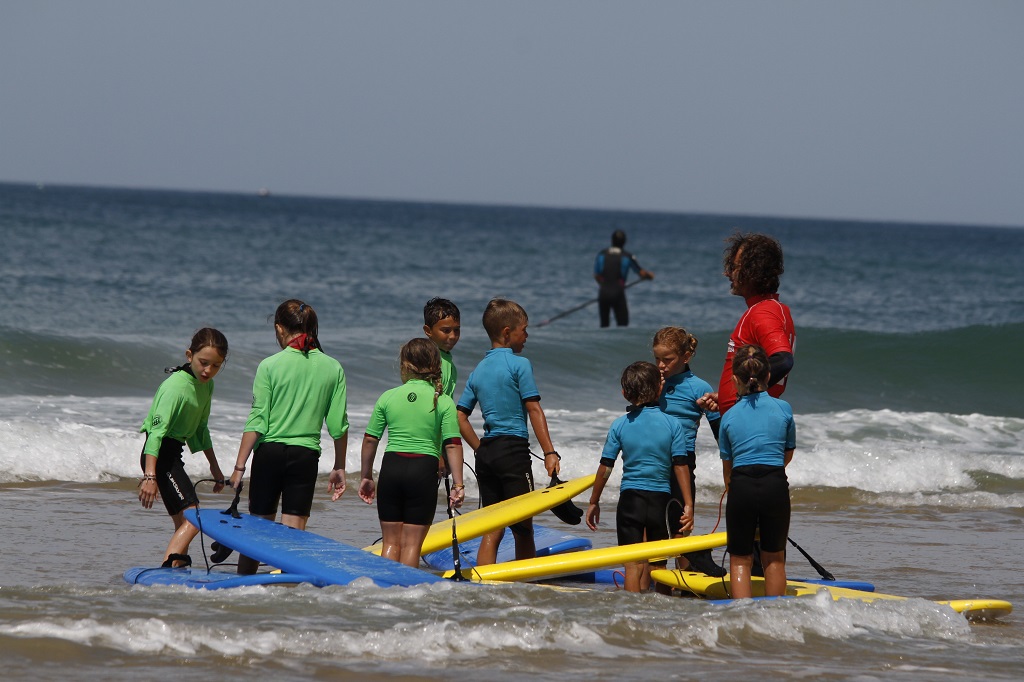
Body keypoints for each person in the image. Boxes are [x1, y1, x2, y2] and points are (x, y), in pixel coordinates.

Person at [228, 299, 348, 575]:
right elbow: (338, 426)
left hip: (269, 454)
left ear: (280, 329)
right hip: (305, 456)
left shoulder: (269, 366)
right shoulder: (333, 367)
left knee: (256, 532)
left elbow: (257, 419)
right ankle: (290, 592)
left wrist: (239, 466)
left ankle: (243, 587)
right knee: (294, 536)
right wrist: (339, 466)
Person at [457, 298, 560, 565]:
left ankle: (483, 582)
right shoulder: (519, 364)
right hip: (513, 453)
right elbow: (534, 409)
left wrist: (480, 449)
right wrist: (549, 452)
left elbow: (460, 417)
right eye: (523, 330)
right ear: (507, 332)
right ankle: (524, 584)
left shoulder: (478, 371)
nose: (526, 335)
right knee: (523, 529)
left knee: (492, 528)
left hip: (487, 454)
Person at [586, 361, 694, 593]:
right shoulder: (673, 424)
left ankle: (630, 611)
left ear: (625, 393)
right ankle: (661, 609)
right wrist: (688, 503)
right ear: (659, 389)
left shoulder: (619, 425)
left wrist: (594, 501)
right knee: (659, 565)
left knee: (632, 565)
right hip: (660, 501)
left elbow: (605, 467)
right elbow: (680, 465)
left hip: (630, 501)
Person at [358, 339, 466, 567]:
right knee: (411, 546)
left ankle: (384, 585)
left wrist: (366, 476)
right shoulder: (443, 401)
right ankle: (406, 588)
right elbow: (453, 444)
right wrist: (458, 484)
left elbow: (370, 439)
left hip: (392, 468)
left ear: (405, 365)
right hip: (423, 471)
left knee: (390, 543)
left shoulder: (388, 397)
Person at [138, 328, 228, 568]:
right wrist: (150, 476)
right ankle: (166, 569)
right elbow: (155, 434)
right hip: (159, 455)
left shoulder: (206, 385)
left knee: (183, 523)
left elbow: (201, 429)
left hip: (173, 454)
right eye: (203, 363)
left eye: (216, 366)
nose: (208, 370)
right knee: (194, 517)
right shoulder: (175, 387)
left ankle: (178, 570)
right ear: (189, 355)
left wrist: (215, 467)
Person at [718, 344, 795, 599]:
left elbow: (728, 470)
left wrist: (738, 487)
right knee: (774, 558)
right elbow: (787, 454)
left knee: (740, 559)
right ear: (768, 376)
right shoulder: (784, 409)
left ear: (734, 380)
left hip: (742, 486)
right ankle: (774, 613)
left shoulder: (729, 416)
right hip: (775, 483)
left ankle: (742, 613)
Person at [652, 326, 725, 577]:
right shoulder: (652, 381)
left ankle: (684, 585)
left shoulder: (699, 387)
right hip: (651, 461)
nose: (661, 365)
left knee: (680, 528)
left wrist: (732, 465)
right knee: (654, 530)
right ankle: (657, 583)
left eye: (667, 359)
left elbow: (720, 431)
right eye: (657, 359)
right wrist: (654, 394)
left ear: (685, 356)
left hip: (681, 463)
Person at [699, 232, 795, 415]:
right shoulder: (774, 309)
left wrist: (744, 394)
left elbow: (783, 360)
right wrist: (726, 396)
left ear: (753, 271)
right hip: (749, 418)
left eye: (734, 267)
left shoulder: (763, 313)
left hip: (749, 422)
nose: (727, 273)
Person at [593, 229, 654, 328]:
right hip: (618, 293)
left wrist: (605, 286)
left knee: (604, 326)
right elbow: (641, 273)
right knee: (622, 325)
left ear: (612, 240)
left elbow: (596, 275)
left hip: (603, 293)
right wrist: (649, 276)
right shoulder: (627, 256)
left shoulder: (602, 254)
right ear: (624, 242)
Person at [422, 297, 461, 399]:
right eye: (446, 331)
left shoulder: (449, 363)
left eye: (456, 330)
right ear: (428, 331)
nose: (453, 336)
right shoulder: (427, 361)